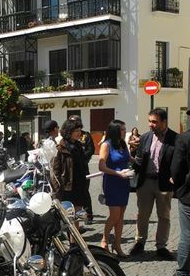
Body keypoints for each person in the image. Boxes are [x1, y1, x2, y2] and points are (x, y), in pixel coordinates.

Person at [130, 108, 177, 259]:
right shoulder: (145, 137)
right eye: (149, 121)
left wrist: (175, 176)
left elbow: (179, 161)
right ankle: (139, 243)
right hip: (145, 183)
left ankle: (161, 247)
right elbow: (138, 159)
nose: (151, 124)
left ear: (164, 122)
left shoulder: (175, 138)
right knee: (142, 215)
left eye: (154, 122)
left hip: (164, 184)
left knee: (164, 216)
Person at [98, 120, 133, 258]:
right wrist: (118, 173)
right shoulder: (106, 145)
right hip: (112, 182)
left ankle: (117, 245)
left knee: (121, 216)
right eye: (122, 130)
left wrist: (140, 161)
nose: (125, 132)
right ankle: (104, 239)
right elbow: (101, 167)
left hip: (124, 183)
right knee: (114, 216)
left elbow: (128, 158)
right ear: (115, 131)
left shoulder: (123, 144)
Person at [167, 110, 190, 276]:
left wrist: (177, 183)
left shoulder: (184, 138)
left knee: (187, 234)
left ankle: (182, 274)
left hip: (188, 194)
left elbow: (176, 168)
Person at [50, 119, 87, 216]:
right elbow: (55, 171)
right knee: (69, 215)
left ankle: (77, 230)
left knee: (78, 214)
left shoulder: (79, 146)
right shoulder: (60, 148)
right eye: (76, 130)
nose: (79, 133)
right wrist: (57, 189)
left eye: (79, 130)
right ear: (68, 131)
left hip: (79, 184)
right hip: (66, 186)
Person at [69, 115, 95, 224]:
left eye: (76, 122)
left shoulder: (86, 135)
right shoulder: (66, 137)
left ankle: (88, 214)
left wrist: (83, 158)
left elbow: (91, 149)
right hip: (72, 170)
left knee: (84, 191)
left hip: (83, 167)